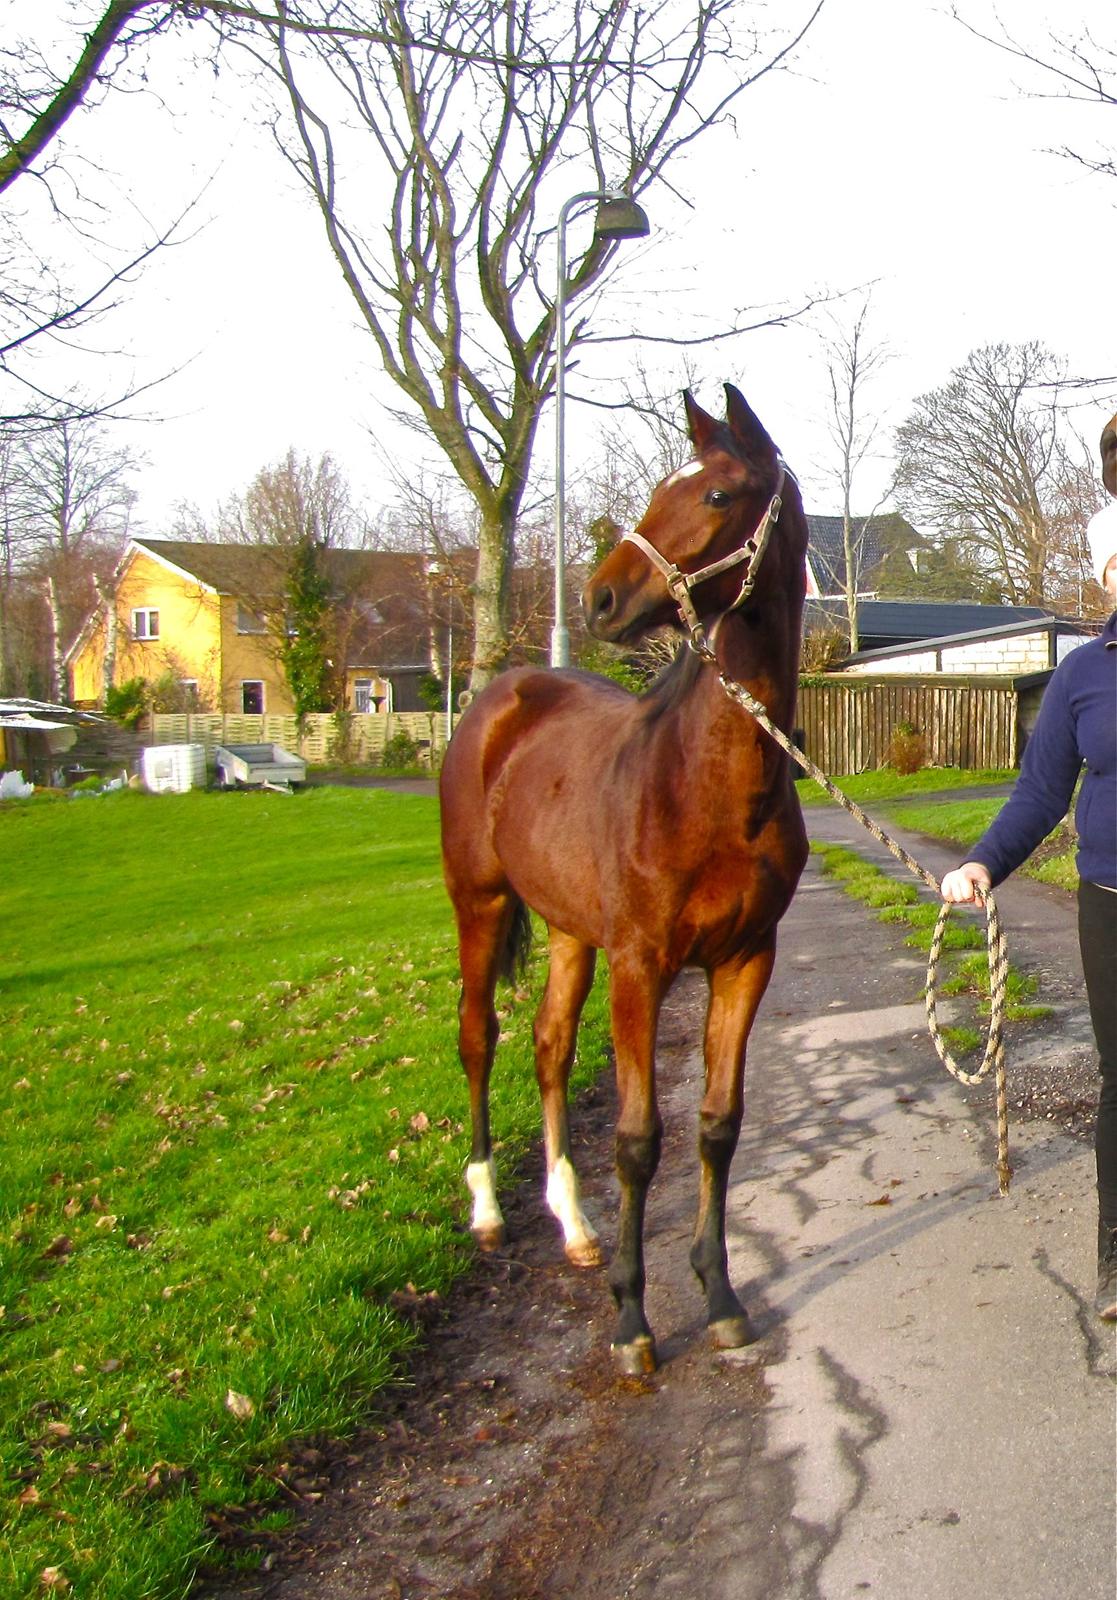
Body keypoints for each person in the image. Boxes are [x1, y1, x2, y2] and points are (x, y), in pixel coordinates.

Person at [941, 422, 1117, 1321]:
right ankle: (1116, 1259)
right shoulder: (1083, 676)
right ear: (1109, 573)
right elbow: (1040, 792)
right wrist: (980, 862)